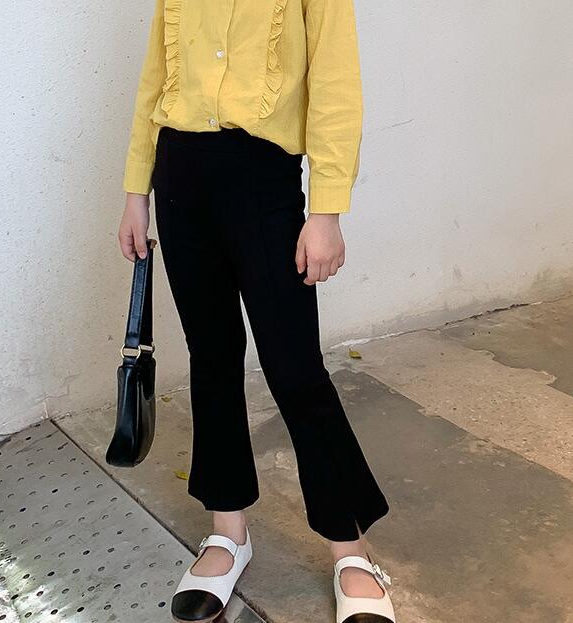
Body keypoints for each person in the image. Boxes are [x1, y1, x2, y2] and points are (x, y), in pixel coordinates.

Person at [118, 0, 396, 621]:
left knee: (295, 369)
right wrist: (137, 190)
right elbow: (155, 77)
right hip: (180, 176)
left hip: (264, 178)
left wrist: (326, 211)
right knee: (212, 357)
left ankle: (349, 547)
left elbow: (335, 84)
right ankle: (228, 531)